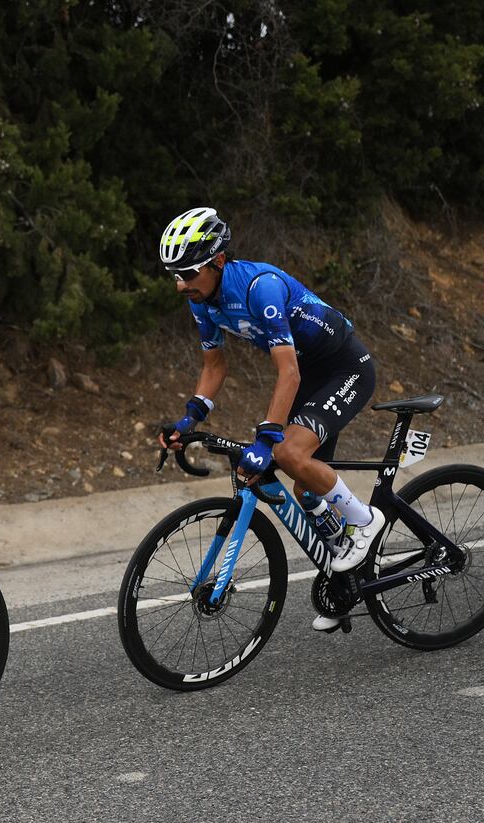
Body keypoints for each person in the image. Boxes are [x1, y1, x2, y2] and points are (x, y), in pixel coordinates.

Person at [158, 208, 381, 632]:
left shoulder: (261, 288)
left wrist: (266, 439)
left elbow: (289, 372)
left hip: (345, 368)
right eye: (174, 274)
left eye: (187, 272)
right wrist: (188, 419)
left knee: (288, 452)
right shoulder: (203, 301)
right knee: (304, 482)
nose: (181, 284)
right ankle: (345, 578)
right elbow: (214, 368)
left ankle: (365, 521)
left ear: (217, 261)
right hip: (312, 376)